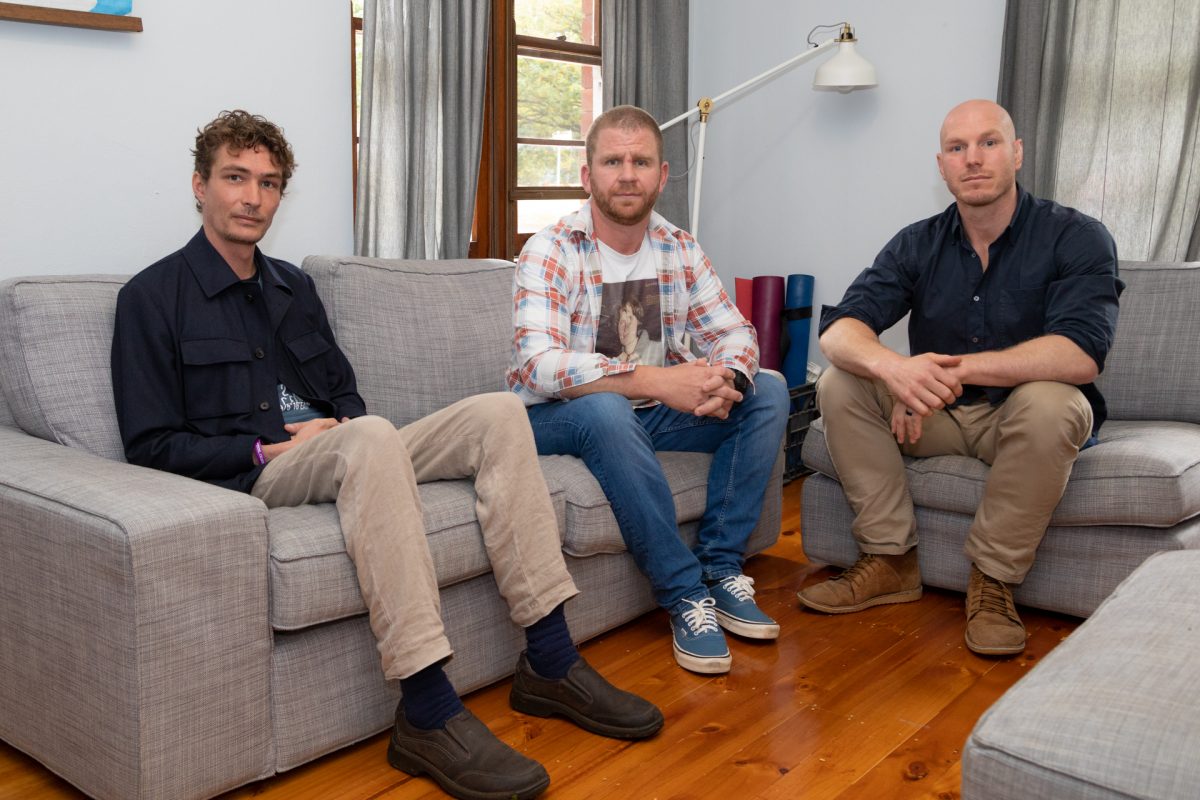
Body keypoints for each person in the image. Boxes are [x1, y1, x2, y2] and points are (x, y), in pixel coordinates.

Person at [111, 110, 663, 800]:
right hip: (258, 470)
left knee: (494, 413)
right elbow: (150, 447)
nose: (252, 197)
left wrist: (342, 424)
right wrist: (265, 444)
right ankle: (427, 709)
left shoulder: (294, 288)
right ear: (200, 185)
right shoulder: (151, 299)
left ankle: (550, 661)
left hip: (347, 449)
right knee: (369, 435)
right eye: (235, 178)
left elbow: (345, 393)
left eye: (269, 183)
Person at [797, 99, 1123, 656]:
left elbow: (1081, 353)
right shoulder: (917, 242)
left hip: (1020, 422)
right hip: (937, 419)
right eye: (957, 148)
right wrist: (895, 371)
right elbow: (838, 332)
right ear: (941, 165)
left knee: (1053, 403)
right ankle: (890, 560)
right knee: (839, 382)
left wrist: (950, 369)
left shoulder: (1077, 237)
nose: (973, 159)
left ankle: (993, 583)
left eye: (989, 143)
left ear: (1016, 153)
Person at [508, 105, 790, 675]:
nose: (627, 174)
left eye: (641, 162)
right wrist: (661, 382)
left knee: (770, 390)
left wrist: (728, 378)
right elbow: (540, 366)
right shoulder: (552, 249)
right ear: (588, 176)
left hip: (650, 415)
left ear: (663, 176)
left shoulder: (679, 247)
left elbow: (735, 331)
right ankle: (685, 594)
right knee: (608, 408)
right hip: (553, 418)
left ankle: (720, 564)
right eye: (613, 161)